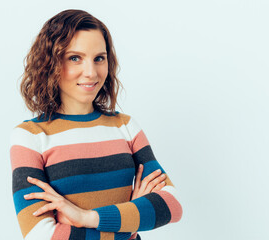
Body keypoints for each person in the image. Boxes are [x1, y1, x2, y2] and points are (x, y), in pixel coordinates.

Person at [10, 9, 183, 240]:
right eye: (75, 58)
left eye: (99, 58)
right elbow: (39, 234)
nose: (91, 72)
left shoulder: (127, 127)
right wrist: (129, 223)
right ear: (50, 63)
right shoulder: (30, 136)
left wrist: (86, 217)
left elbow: (171, 207)